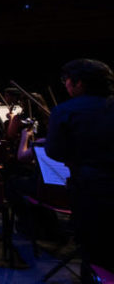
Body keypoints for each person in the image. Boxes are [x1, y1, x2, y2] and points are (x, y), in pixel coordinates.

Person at [46, 59, 114, 272]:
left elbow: (54, 152)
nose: (65, 85)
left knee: (94, 250)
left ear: (79, 84)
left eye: (67, 81)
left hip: (90, 189)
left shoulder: (66, 111)